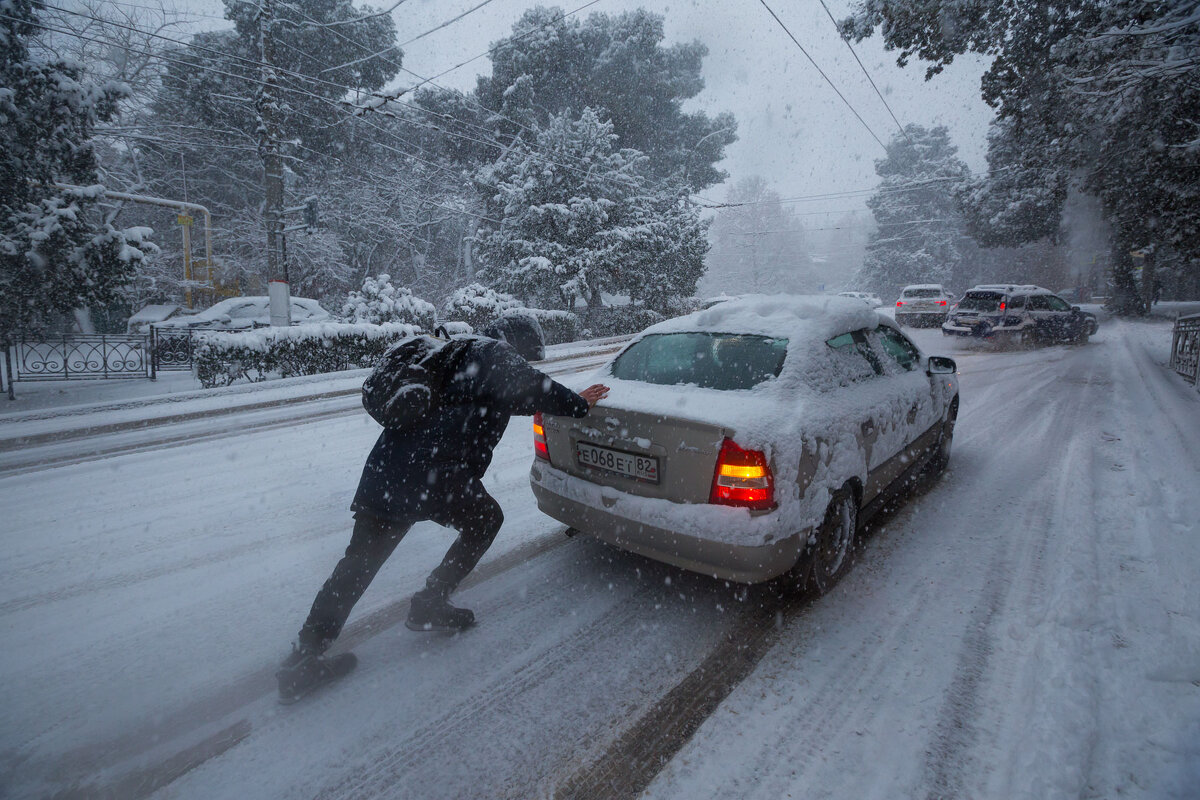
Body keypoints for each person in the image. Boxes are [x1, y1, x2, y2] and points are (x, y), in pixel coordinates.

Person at [277, 316, 609, 702]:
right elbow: (534, 389)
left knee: (360, 561)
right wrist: (578, 403)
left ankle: (303, 656)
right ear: (516, 345)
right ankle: (430, 602)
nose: (528, 363)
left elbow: (511, 397)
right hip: (436, 472)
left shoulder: (452, 354)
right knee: (486, 521)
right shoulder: (493, 354)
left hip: (389, 468)